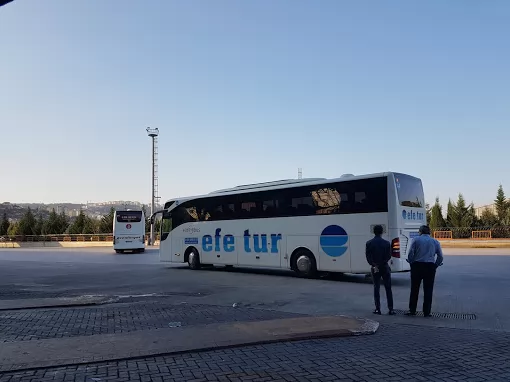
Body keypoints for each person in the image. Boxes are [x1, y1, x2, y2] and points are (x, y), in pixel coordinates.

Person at [406, 225, 444, 317]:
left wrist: (411, 263)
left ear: (420, 232)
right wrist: (435, 265)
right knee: (428, 290)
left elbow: (410, 253)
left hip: (417, 266)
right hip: (430, 267)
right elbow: (440, 256)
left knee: (414, 289)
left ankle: (412, 310)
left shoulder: (416, 240)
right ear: (429, 232)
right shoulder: (435, 241)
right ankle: (427, 312)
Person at [365, 225, 395, 315]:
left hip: (375, 267)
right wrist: (383, 263)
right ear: (382, 232)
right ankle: (391, 309)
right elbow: (388, 256)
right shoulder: (386, 243)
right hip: (385, 267)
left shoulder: (369, 243)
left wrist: (374, 264)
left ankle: (378, 309)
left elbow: (368, 257)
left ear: (374, 232)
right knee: (388, 288)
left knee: (376, 288)